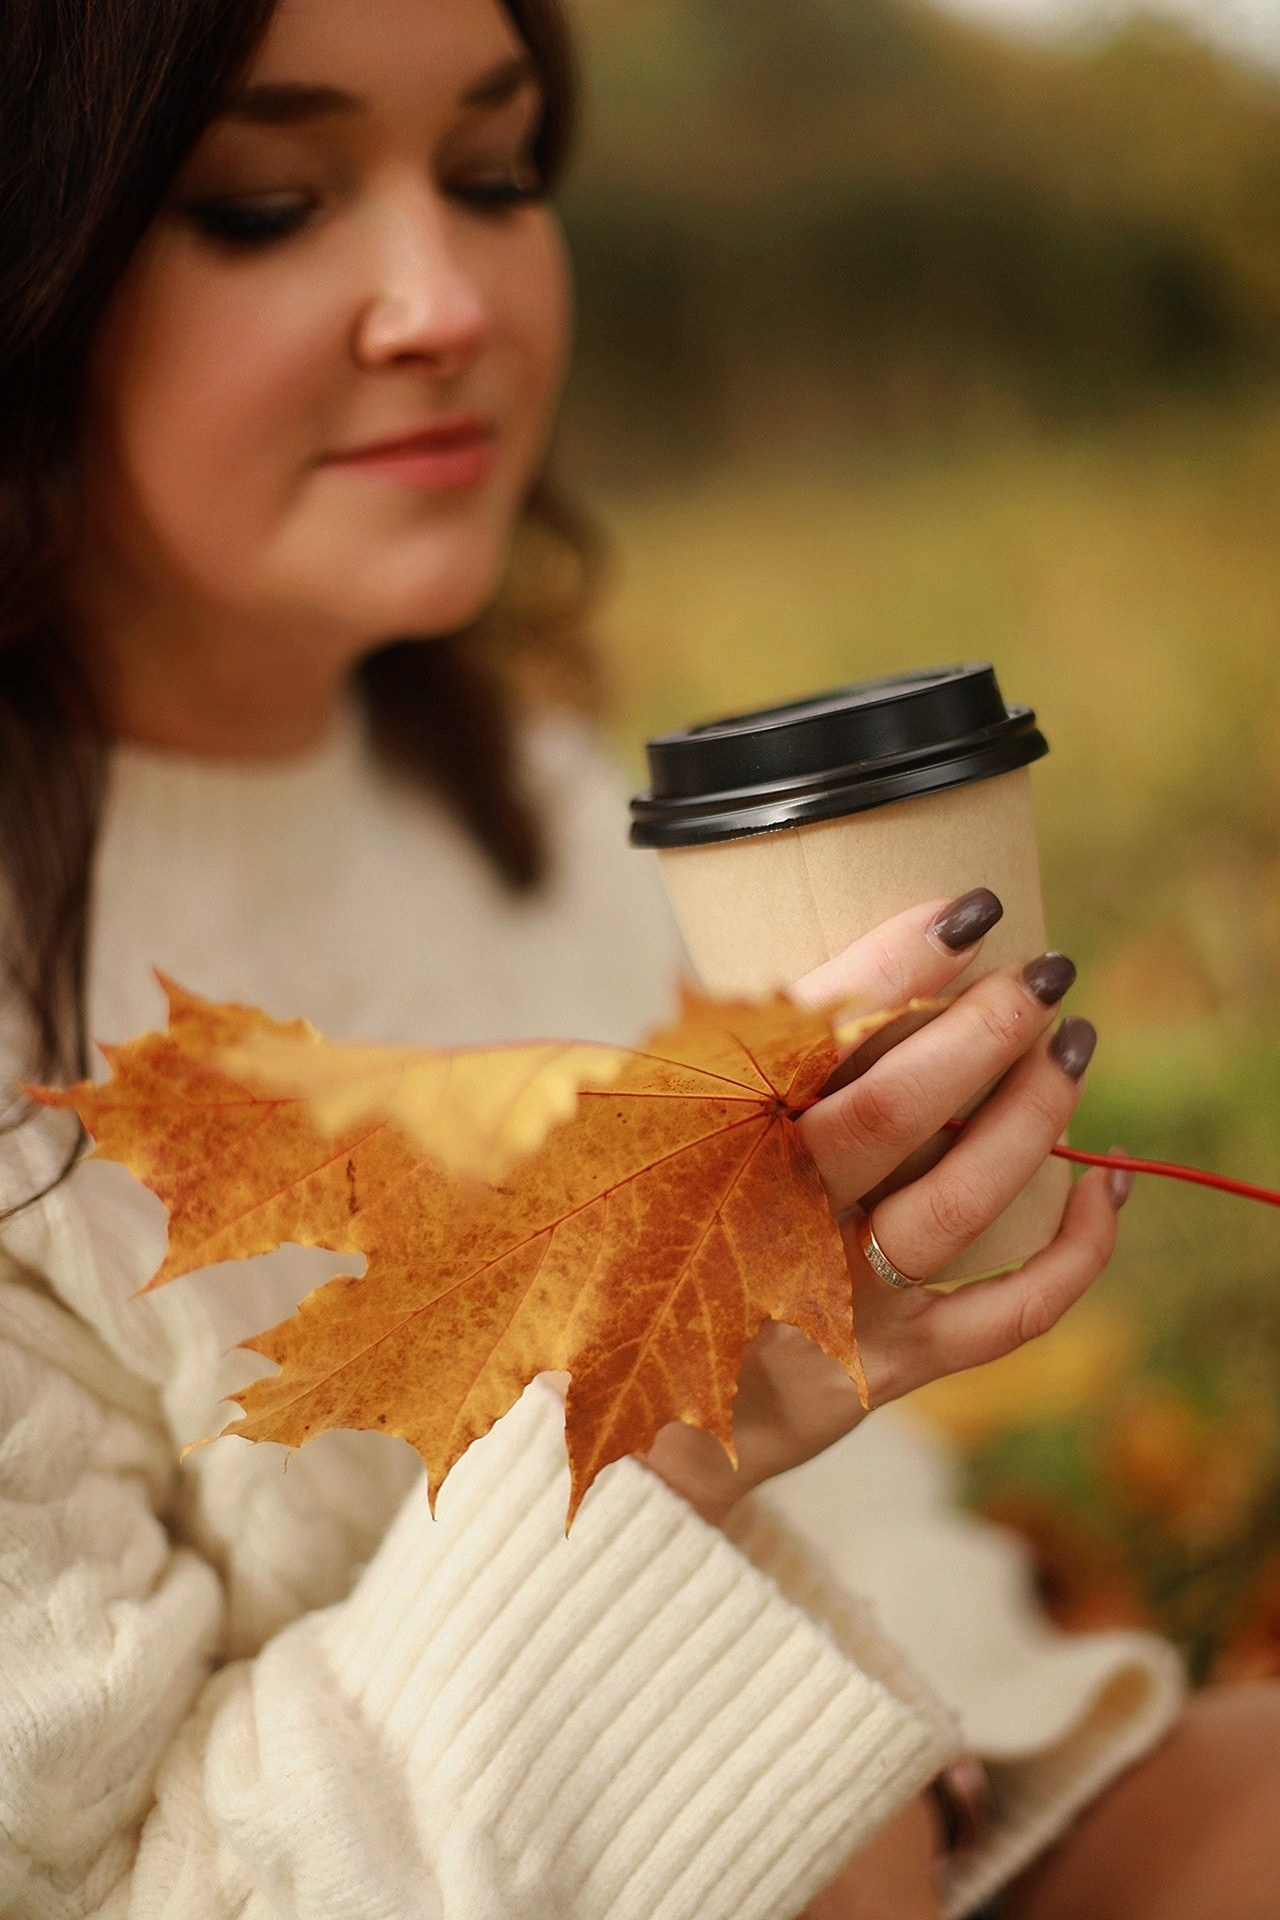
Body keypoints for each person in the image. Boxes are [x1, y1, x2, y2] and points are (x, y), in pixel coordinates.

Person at [1, 0, 1277, 1915]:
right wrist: (664, 1424)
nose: (446, 299)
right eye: (265, 205)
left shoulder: (519, 793)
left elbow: (886, 1573)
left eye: (498, 174)